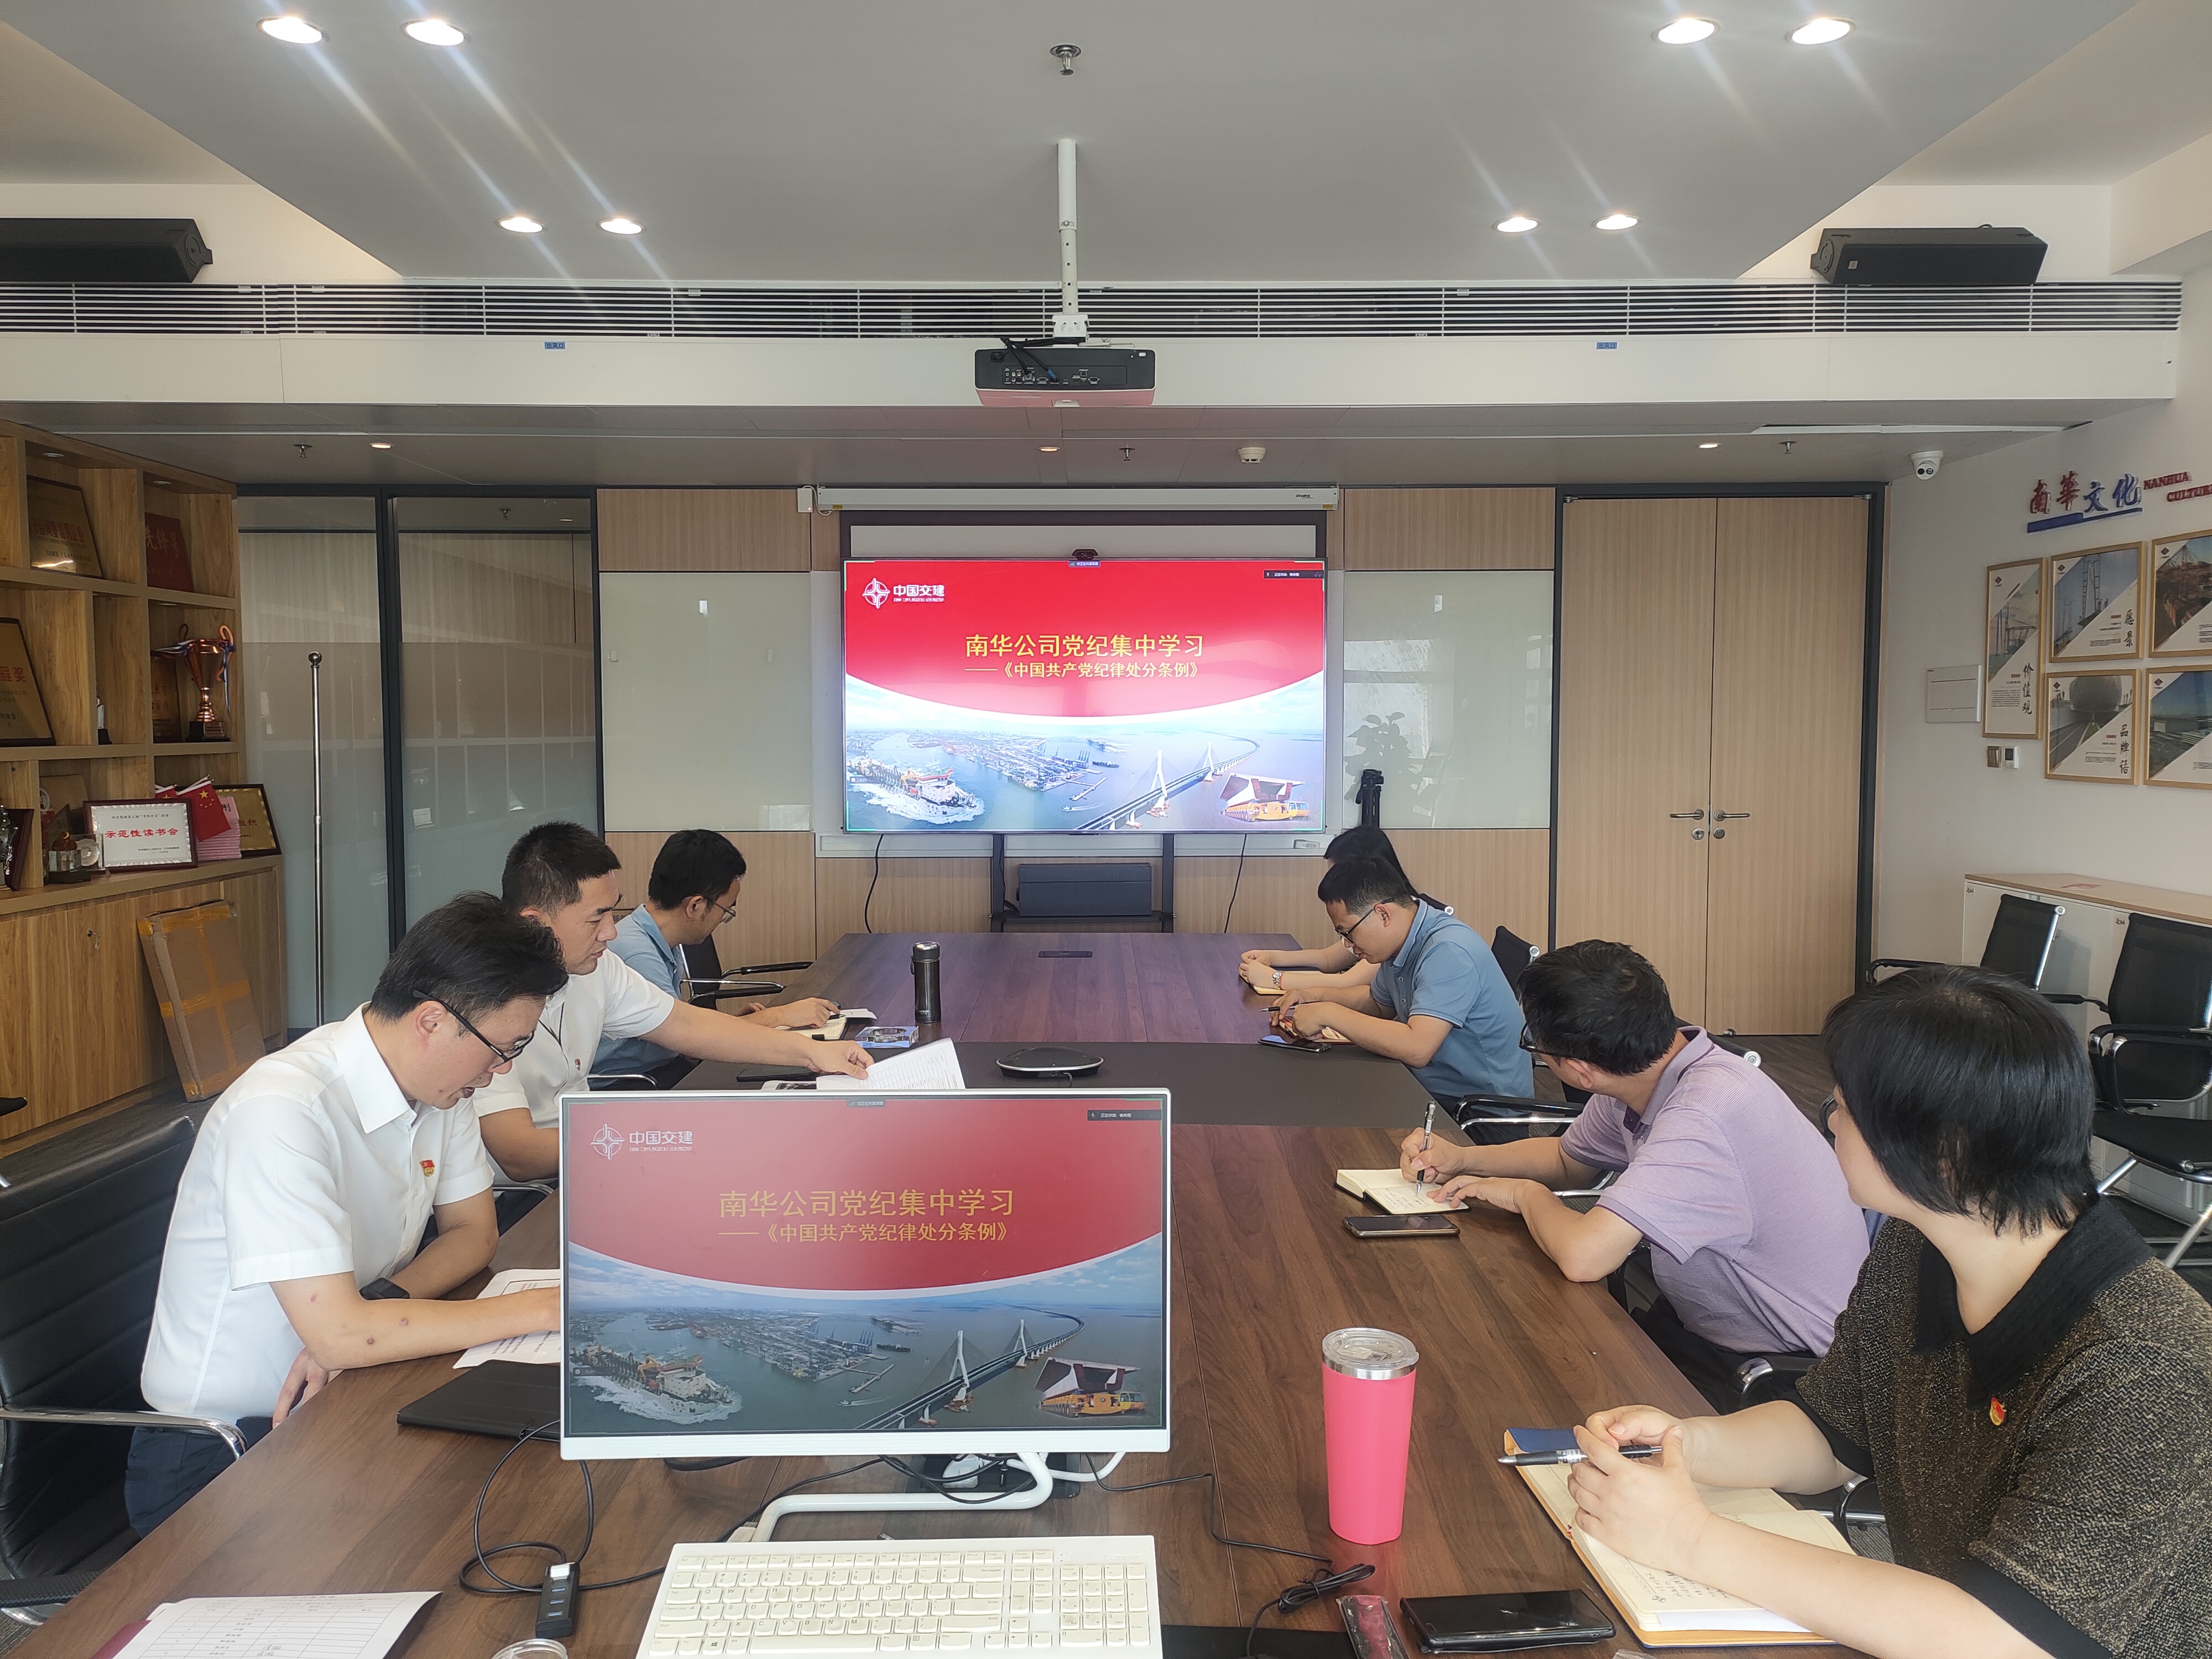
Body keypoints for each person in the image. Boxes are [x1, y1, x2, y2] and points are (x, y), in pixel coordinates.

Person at [1564, 967, 2212, 1658]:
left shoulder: (2142, 1365)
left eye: (1844, 1107)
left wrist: (1688, 1537)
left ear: (1943, 1152)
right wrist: (1685, 1446)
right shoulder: (1921, 1241)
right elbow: (1832, 1431)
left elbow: (2003, 1639)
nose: (1830, 1121)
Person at [130, 893, 571, 1535]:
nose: (501, 1070)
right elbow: (337, 1336)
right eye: (502, 1049)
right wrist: (545, 1309)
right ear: (432, 1021)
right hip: (222, 1449)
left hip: (342, 1394)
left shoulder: (438, 1089)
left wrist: (375, 1308)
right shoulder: (283, 1110)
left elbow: (474, 1235)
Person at [1402, 940, 1866, 1403]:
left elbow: (1585, 1257)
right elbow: (1568, 1160)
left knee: (1531, 1384)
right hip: (1702, 1327)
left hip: (1787, 1374)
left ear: (1580, 1072)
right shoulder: (1650, 1067)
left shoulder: (1704, 1114)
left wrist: (1525, 1194)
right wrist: (1462, 1158)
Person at [473, 822, 868, 1182]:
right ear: (535, 923)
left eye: (613, 912)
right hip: (534, 1196)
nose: (611, 932)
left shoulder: (598, 969)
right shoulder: (480, 998)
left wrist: (812, 1053)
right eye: (596, 919)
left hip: (594, 1162)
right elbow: (520, 1155)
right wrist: (659, 1135)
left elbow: (686, 1025)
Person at [1275, 855, 1529, 1099]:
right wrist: (1316, 997)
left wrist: (1329, 1013)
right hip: (1429, 1086)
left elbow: (1417, 1048)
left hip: (1477, 1107)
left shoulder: (1448, 950)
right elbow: (1378, 1004)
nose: (1348, 945)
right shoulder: (1401, 941)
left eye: (1348, 933)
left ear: (1383, 914)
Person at [594, 829, 837, 1082]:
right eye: (726, 910)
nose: (722, 920)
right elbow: (683, 1039)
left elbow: (676, 1026)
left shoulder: (656, 936)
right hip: (634, 1082)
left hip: (660, 1065)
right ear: (696, 906)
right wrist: (778, 1017)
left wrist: (739, 1022)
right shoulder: (637, 953)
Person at [1237, 826, 1451, 994]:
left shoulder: (1398, 925)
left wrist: (1275, 979)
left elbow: (1349, 982)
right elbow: (1328, 959)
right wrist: (1272, 958)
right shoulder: (1384, 913)